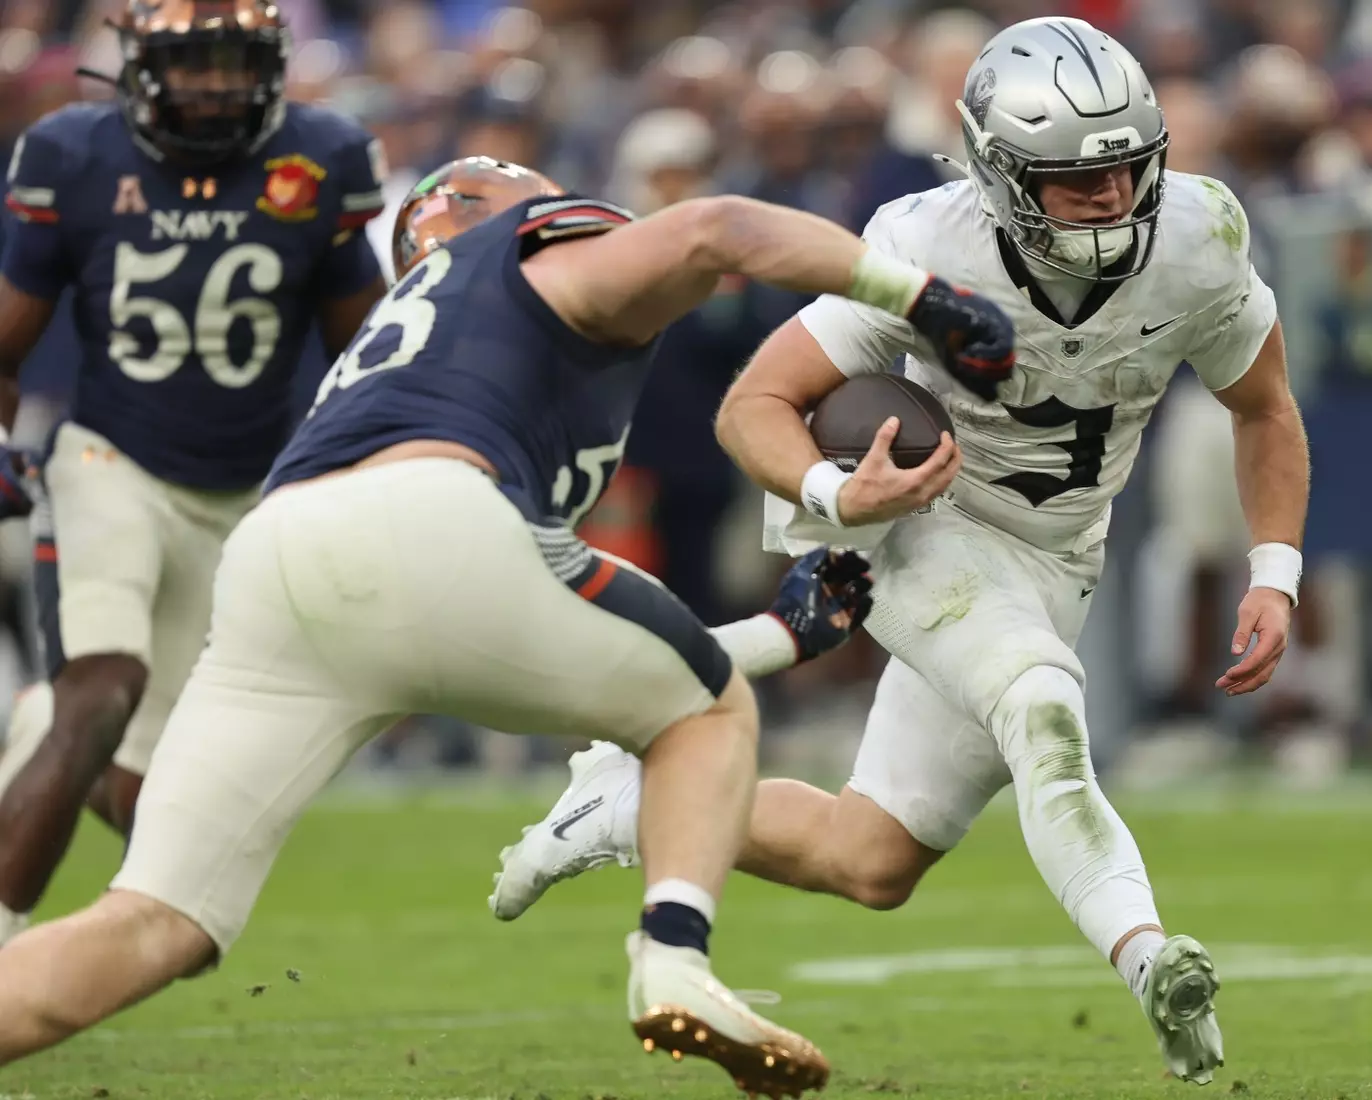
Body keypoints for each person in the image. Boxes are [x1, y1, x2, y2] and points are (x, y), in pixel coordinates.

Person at [0, 155, 1016, 1093]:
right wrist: (926, 297)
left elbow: (530, 605)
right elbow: (718, 226)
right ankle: (673, 958)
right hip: (435, 526)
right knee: (705, 717)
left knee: (156, 917)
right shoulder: (533, 254)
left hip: (280, 563)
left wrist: (779, 633)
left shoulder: (414, 339)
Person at [491, 16, 1310, 1086]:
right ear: (1001, 171)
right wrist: (842, 488)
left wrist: (1274, 571)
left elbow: (1264, 408)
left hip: (1057, 556)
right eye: (1074, 179)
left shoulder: (1199, 236)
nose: (1111, 199)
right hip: (924, 526)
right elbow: (756, 406)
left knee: (868, 859)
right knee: (1043, 709)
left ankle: (624, 804)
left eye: (1122, 168)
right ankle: (1153, 957)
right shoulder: (929, 248)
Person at [0, 0, 391, 947]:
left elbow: (373, 352)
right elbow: (6, 345)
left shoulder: (321, 157)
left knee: (151, 812)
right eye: (192, 62)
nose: (215, 83)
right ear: (138, 65)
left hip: (249, 495)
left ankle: (38, 726)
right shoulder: (73, 157)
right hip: (110, 462)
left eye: (233, 61)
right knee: (101, 697)